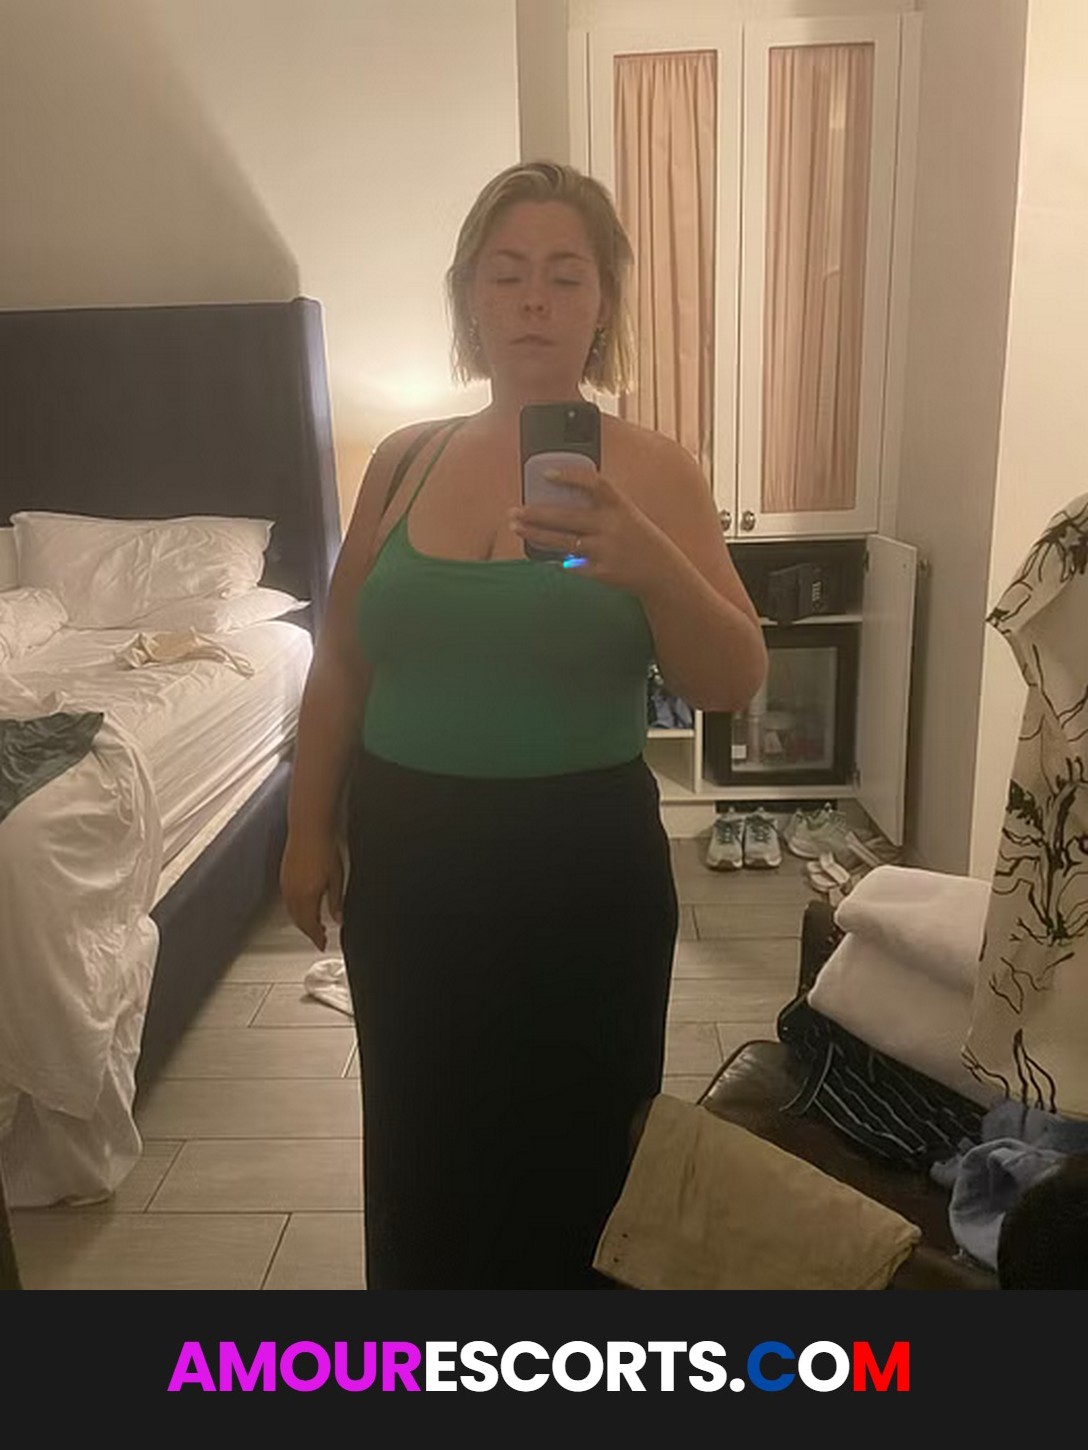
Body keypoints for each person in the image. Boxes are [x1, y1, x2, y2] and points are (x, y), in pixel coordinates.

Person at [279, 159, 767, 1289]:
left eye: (564, 274)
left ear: (603, 303)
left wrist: (650, 564)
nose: (534, 300)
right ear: (470, 298)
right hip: (409, 864)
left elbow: (731, 679)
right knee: (422, 1148)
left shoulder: (657, 472)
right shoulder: (403, 461)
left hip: (581, 874)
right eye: (505, 274)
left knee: (579, 1166)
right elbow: (342, 658)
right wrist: (307, 828)